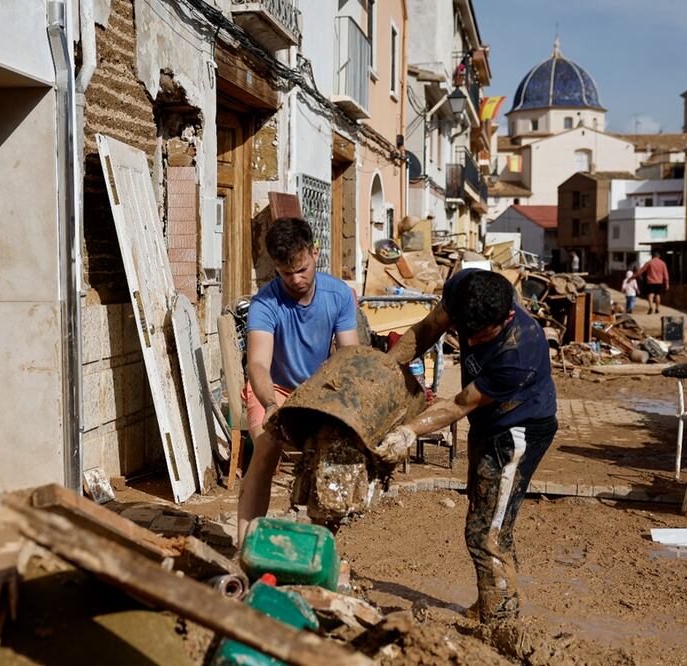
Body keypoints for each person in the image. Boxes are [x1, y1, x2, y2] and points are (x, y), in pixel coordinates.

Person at [381, 269, 557, 624]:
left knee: (486, 531)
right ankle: (495, 599)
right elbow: (428, 329)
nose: (472, 344)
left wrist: (408, 432)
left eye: (481, 337)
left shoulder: (520, 350)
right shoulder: (466, 288)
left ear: (507, 316)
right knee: (486, 516)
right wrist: (385, 368)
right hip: (488, 423)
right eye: (466, 334)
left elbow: (460, 403)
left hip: (517, 431)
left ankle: (500, 622)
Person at [238, 216, 359, 543]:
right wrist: (271, 406)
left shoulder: (340, 295)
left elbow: (349, 357)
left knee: (333, 458)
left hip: (318, 390)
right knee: (265, 447)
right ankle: (245, 545)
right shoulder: (265, 302)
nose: (295, 279)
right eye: (285, 272)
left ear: (314, 253)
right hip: (273, 388)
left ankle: (320, 545)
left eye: (302, 269)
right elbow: (258, 366)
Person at [635, 250, 670, 314]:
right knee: (658, 295)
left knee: (650, 295)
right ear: (659, 256)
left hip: (650, 282)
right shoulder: (662, 263)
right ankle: (657, 308)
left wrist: (633, 276)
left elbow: (641, 271)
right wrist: (667, 283)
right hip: (659, 282)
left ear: (652, 256)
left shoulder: (649, 262)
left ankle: (651, 306)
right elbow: (666, 274)